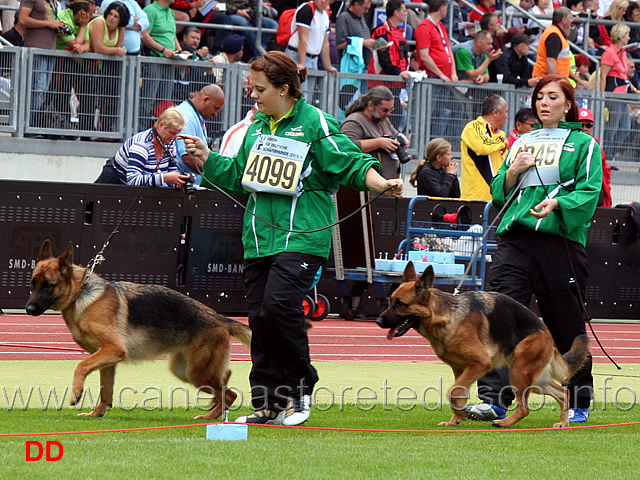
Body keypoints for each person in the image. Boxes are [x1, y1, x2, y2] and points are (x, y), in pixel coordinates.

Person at [181, 51, 403, 426]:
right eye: (253, 89)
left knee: (279, 308)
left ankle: (300, 391)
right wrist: (206, 156)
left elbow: (348, 162)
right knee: (261, 318)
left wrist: (383, 183)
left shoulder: (315, 121)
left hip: (302, 236)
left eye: (260, 89)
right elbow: (237, 176)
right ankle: (266, 402)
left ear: (284, 89)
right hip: (258, 238)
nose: (254, 96)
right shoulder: (255, 127)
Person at [466, 74, 602, 424]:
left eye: (552, 96)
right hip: (515, 241)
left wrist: (558, 205)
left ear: (567, 104)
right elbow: (499, 191)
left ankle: (578, 400)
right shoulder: (520, 142)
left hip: (560, 245)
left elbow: (590, 191)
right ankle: (495, 400)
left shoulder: (583, 144)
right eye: (539, 96)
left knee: (564, 322)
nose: (543, 102)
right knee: (498, 317)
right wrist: (512, 171)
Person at [95, 106, 192, 188]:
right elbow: (133, 181)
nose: (173, 138)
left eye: (176, 134)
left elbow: (171, 176)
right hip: (113, 185)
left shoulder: (169, 144)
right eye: (171, 133)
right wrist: (164, 178)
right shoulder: (141, 144)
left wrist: (181, 182)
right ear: (161, 125)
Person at [341, 86, 410, 180]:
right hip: (368, 187)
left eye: (391, 110)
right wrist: (378, 143)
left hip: (388, 185)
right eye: (385, 110)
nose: (388, 114)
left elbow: (394, 133)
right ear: (370, 105)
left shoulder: (382, 119)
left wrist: (400, 137)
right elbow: (345, 147)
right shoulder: (354, 121)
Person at [82, 1, 128, 134]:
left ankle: (105, 131)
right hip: (90, 64)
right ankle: (87, 131)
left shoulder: (121, 28)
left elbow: (118, 47)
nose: (111, 18)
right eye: (110, 14)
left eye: (116, 16)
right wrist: (115, 51)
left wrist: (115, 50)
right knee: (89, 98)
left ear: (121, 20)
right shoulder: (99, 23)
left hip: (107, 66)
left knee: (111, 97)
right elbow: (98, 48)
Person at [19, 0, 67, 129]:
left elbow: (50, 24)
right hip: (36, 48)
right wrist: (49, 24)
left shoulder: (54, 2)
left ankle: (35, 123)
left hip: (50, 49)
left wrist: (58, 28)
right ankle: (29, 125)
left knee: (43, 90)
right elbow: (23, 19)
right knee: (38, 89)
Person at [139, 0, 183, 131]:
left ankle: (161, 132)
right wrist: (163, 50)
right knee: (148, 99)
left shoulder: (170, 12)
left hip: (169, 61)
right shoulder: (150, 11)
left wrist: (180, 51)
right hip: (154, 60)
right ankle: (141, 131)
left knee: (164, 102)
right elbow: (144, 36)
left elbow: (172, 35)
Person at [286, 0, 337, 102]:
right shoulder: (307, 9)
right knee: (298, 97)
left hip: (313, 59)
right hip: (297, 55)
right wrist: (301, 62)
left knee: (307, 98)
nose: (323, 1)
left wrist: (328, 66)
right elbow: (302, 38)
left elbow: (325, 42)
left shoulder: (325, 14)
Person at [460, 94, 508, 200]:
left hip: (496, 199)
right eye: (505, 112)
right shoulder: (473, 127)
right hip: (474, 200)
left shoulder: (500, 136)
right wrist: (501, 141)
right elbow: (483, 147)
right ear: (496, 112)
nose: (506, 116)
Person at [175, 84, 225, 183]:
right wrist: (214, 174)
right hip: (185, 188)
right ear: (205, 100)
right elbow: (188, 158)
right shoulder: (187, 117)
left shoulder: (194, 115)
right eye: (216, 108)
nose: (216, 113)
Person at [600, 23, 633, 158]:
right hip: (613, 94)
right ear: (620, 36)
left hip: (623, 95)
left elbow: (623, 75)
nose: (629, 38)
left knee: (625, 127)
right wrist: (601, 96)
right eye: (627, 35)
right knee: (612, 127)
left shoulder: (623, 52)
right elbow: (603, 75)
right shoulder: (609, 53)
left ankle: (610, 154)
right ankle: (605, 157)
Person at [579, 107, 612, 207]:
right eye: (581, 125)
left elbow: (604, 178)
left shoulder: (597, 148)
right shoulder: (568, 146)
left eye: (588, 125)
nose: (584, 128)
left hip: (594, 198)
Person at [532, 7, 573, 79]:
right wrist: (555, 82)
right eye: (570, 18)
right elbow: (550, 60)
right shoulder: (554, 35)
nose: (572, 21)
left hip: (555, 81)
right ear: (563, 20)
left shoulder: (556, 33)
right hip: (546, 81)